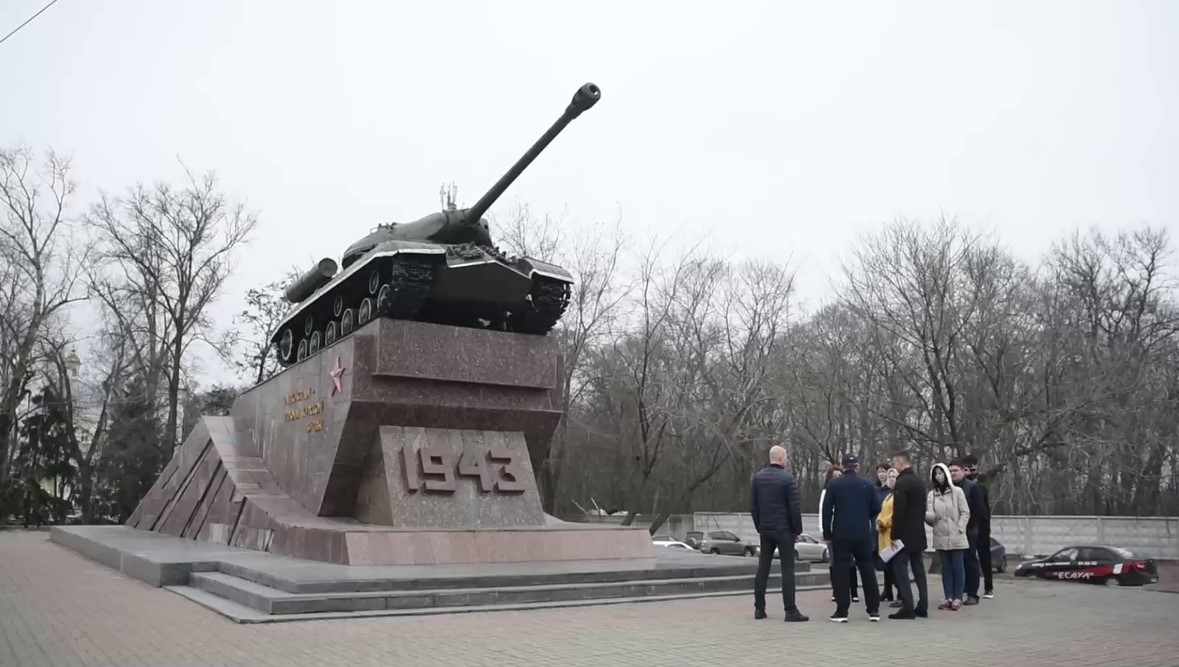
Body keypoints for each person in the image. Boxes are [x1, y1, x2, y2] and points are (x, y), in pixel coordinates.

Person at [749, 444, 809, 622]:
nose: (787, 460)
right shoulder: (787, 479)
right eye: (786, 457)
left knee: (763, 567)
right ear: (781, 458)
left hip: (765, 529)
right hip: (784, 530)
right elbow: (794, 507)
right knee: (787, 569)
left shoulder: (758, 478)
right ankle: (790, 610)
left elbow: (754, 506)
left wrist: (759, 526)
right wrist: (797, 529)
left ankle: (759, 609)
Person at [821, 454, 882, 622]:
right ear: (857, 467)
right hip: (862, 533)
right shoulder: (867, 484)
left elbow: (827, 511)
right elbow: (876, 508)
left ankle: (842, 611)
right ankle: (873, 610)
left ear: (842, 466)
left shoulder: (834, 485)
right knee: (867, 570)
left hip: (841, 533)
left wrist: (827, 533)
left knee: (841, 571)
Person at [887, 450, 929, 619]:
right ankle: (923, 605)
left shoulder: (902, 483)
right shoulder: (919, 482)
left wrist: (894, 536)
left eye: (895, 462)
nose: (894, 466)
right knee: (919, 570)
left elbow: (899, 512)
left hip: (904, 535)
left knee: (900, 568)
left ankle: (907, 606)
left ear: (901, 462)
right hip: (918, 533)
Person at [926, 462, 970, 611]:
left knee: (957, 566)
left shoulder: (957, 492)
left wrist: (960, 527)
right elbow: (930, 515)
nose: (939, 476)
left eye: (941, 473)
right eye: (936, 474)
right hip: (941, 535)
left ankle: (958, 597)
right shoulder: (932, 494)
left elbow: (965, 512)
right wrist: (929, 517)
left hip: (957, 535)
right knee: (946, 568)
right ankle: (948, 597)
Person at [819, 464, 859, 603]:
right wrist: (824, 531)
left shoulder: (847, 490)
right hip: (832, 531)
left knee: (850, 562)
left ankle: (853, 591)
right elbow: (823, 512)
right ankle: (836, 590)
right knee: (834, 563)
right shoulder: (826, 492)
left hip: (846, 529)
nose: (837, 478)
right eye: (834, 476)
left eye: (839, 476)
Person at [949, 458, 986, 605]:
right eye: (950, 471)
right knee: (955, 563)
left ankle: (972, 594)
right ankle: (957, 592)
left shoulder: (972, 487)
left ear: (964, 471)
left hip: (968, 531)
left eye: (955, 470)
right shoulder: (948, 488)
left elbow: (978, 510)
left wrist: (966, 526)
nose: (953, 473)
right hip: (951, 531)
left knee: (970, 562)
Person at [962, 454, 994, 598]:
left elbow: (983, 493)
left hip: (982, 521)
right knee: (968, 555)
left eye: (972, 468)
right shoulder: (963, 484)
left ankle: (988, 587)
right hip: (970, 521)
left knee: (984, 554)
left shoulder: (981, 481)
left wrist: (972, 478)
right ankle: (967, 586)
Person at [876, 467, 898, 605]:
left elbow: (895, 514)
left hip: (892, 533)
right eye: (890, 477)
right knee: (887, 565)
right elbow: (882, 511)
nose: (891, 479)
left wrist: (883, 522)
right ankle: (888, 590)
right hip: (883, 533)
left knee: (896, 567)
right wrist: (878, 521)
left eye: (893, 477)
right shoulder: (888, 495)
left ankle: (901, 594)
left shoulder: (898, 495)